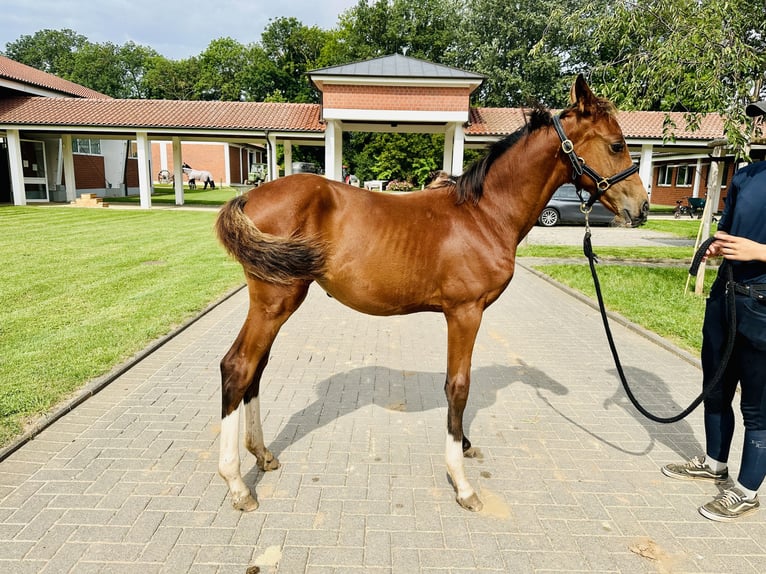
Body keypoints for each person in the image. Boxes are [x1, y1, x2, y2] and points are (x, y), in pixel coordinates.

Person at [662, 99, 766, 522]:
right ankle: (714, 463)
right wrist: (717, 245)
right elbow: (727, 226)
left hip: (762, 305)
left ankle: (745, 490)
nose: (757, 122)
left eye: (764, 116)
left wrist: (759, 251)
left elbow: (753, 243)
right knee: (716, 387)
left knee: (758, 407)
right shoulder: (745, 174)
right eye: (757, 115)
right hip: (725, 298)